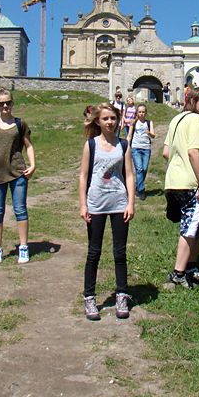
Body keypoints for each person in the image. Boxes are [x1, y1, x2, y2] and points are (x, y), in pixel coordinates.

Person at [78, 102, 136, 321]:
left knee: (120, 253)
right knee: (94, 253)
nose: (110, 122)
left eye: (113, 118)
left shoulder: (124, 145)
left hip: (119, 203)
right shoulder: (91, 145)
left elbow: (129, 175)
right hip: (96, 204)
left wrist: (131, 202)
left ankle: (122, 294)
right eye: (105, 119)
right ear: (98, 122)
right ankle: (90, 297)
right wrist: (83, 204)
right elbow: (83, 176)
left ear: (118, 119)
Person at [163, 86, 199, 288]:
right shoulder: (195, 120)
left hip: (172, 180)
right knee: (190, 226)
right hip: (188, 181)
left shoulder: (176, 120)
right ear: (193, 101)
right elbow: (194, 152)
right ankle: (178, 272)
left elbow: (166, 152)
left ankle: (191, 265)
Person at [0, 89, 36, 265]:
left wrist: (33, 164)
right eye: (1, 103)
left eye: (8, 102)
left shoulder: (20, 124)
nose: (5, 106)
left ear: (12, 103)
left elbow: (28, 145)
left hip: (18, 172)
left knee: (20, 209)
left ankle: (23, 247)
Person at [128, 104, 156, 200]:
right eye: (139, 112)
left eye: (143, 112)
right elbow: (129, 135)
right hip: (136, 148)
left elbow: (153, 135)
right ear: (137, 113)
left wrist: (149, 133)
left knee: (144, 169)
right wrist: (127, 146)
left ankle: (137, 186)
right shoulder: (134, 122)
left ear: (146, 113)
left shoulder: (149, 122)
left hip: (146, 148)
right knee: (139, 169)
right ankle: (141, 190)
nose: (141, 113)